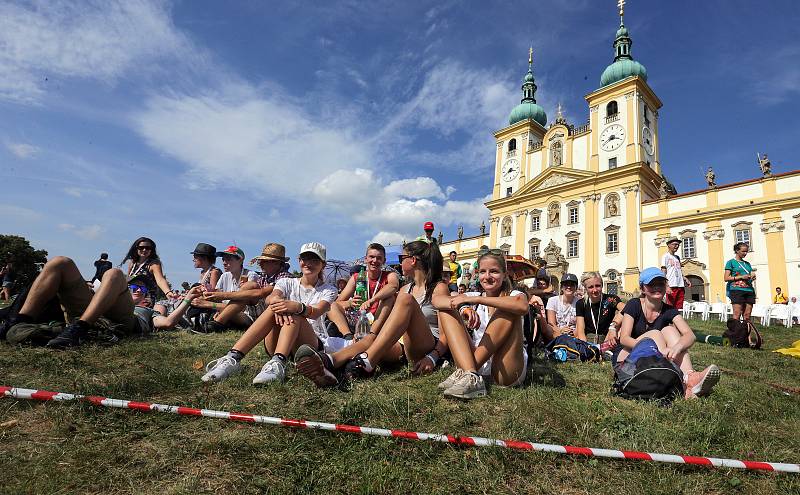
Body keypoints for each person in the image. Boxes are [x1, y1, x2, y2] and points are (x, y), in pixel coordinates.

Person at [294, 240, 455, 387]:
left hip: (425, 345)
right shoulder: (406, 288)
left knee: (403, 299)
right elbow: (339, 303)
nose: (399, 262)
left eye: (401, 258)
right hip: (402, 347)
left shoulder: (438, 288)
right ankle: (329, 362)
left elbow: (446, 333)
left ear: (412, 260)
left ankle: (367, 361)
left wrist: (433, 358)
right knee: (372, 335)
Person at [201, 242, 337, 385]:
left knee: (293, 311)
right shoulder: (286, 281)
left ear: (323, 264)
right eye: (305, 259)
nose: (308, 263)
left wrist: (296, 307)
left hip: (309, 343)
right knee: (278, 306)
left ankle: (277, 361)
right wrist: (280, 304)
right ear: (299, 261)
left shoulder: (329, 289)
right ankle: (233, 358)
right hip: (278, 338)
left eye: (314, 260)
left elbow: (317, 312)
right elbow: (271, 298)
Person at [5, 256, 193, 348]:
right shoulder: (112, 291)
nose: (136, 290)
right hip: (95, 308)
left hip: (124, 320)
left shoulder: (149, 311)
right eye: (132, 287)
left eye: (141, 290)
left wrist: (187, 300)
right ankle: (17, 322)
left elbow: (167, 322)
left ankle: (78, 329)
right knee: (60, 263)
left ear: (148, 299)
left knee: (114, 273)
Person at [438, 249, 529, 399]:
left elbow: (522, 306)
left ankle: (468, 374)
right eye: (482, 272)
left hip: (506, 368)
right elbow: (438, 300)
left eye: (494, 271)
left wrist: (477, 300)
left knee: (507, 307)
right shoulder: (473, 295)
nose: (487, 276)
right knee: (446, 309)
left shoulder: (513, 295)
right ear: (477, 274)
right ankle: (469, 374)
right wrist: (463, 307)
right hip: (477, 360)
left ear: (505, 275)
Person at [617, 267, 720, 399]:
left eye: (660, 283)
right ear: (642, 289)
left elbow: (690, 335)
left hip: (656, 360)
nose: (657, 287)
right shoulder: (634, 304)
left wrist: (677, 347)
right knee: (655, 333)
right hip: (628, 358)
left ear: (666, 286)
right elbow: (624, 339)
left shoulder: (669, 310)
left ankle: (689, 379)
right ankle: (686, 384)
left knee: (670, 330)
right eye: (651, 284)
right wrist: (654, 350)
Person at [200, 242, 292, 333]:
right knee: (248, 288)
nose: (260, 264)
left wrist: (219, 297)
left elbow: (260, 293)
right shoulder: (265, 276)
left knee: (250, 286)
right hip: (254, 313)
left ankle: (217, 323)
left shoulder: (284, 277)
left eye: (264, 261)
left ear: (276, 263)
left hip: (273, 314)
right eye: (223, 259)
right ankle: (216, 323)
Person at [326, 243, 400, 339]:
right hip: (359, 318)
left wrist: (372, 300)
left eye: (379, 258)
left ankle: (372, 335)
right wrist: (350, 302)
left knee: (389, 298)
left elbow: (393, 286)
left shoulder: (390, 275)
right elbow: (338, 302)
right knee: (331, 305)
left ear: (384, 261)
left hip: (378, 320)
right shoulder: (357, 277)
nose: (375, 261)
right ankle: (347, 336)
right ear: (366, 259)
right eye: (371, 257)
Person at [189, 246, 255, 330]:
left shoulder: (250, 275)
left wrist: (208, 304)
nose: (224, 262)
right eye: (223, 259)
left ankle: (205, 324)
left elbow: (242, 307)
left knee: (205, 304)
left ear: (240, 260)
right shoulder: (225, 275)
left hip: (245, 315)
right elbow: (217, 296)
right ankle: (193, 321)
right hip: (225, 310)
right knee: (196, 299)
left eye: (228, 259)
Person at [121, 237, 175, 306]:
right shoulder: (132, 263)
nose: (144, 250)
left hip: (146, 299)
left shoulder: (154, 264)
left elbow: (160, 279)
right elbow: (128, 280)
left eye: (148, 248)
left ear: (151, 250)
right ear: (136, 248)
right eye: (141, 247)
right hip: (132, 296)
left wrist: (168, 292)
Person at [575, 272, 624, 344]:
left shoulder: (610, 299)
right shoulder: (581, 304)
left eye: (598, 286)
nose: (595, 290)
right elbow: (581, 332)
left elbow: (627, 309)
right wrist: (587, 349)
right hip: (588, 341)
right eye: (590, 287)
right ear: (585, 288)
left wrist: (613, 327)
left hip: (609, 340)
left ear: (602, 285)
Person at [542, 273, 579, 342]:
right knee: (548, 328)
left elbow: (580, 325)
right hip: (557, 332)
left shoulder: (580, 302)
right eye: (566, 285)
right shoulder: (553, 300)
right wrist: (561, 331)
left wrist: (573, 334)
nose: (569, 287)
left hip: (574, 333)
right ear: (562, 287)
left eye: (572, 285)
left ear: (576, 287)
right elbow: (551, 323)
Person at [724, 242, 756, 322]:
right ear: (737, 251)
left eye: (746, 251)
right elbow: (726, 278)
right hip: (736, 290)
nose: (745, 253)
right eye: (743, 251)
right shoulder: (731, 262)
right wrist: (741, 277)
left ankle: (747, 334)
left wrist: (752, 276)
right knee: (737, 314)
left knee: (747, 315)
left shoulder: (747, 264)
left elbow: (750, 274)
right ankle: (736, 333)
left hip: (749, 290)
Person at [661, 238, 691, 309]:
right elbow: (663, 271)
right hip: (672, 285)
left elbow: (679, 270)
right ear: (668, 245)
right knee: (670, 307)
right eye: (674, 244)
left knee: (679, 307)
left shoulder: (677, 257)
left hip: (680, 285)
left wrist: (685, 278)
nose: (676, 246)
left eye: (678, 245)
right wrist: (666, 285)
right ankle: (669, 320)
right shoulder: (665, 256)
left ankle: (678, 320)